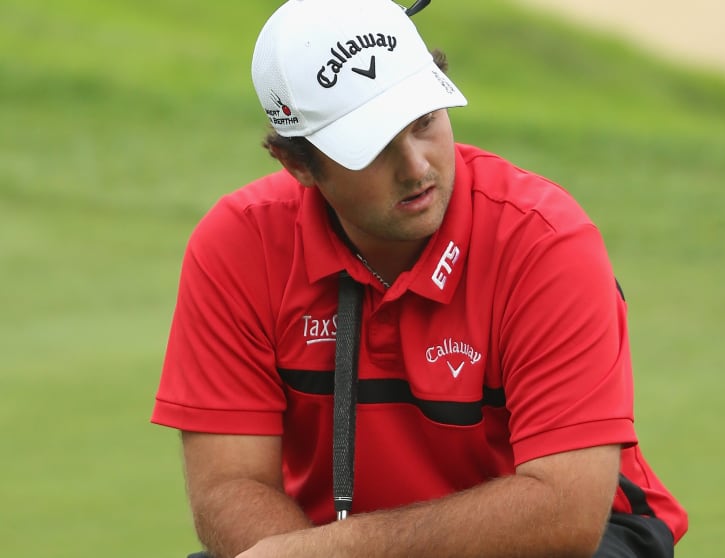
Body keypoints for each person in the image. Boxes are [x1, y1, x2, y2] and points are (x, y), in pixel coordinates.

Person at [151, 0, 688, 556]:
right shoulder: (240, 244)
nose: (417, 168)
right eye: (373, 147)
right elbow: (230, 485)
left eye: (424, 121)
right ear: (299, 165)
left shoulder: (544, 241)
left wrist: (334, 553)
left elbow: (565, 513)